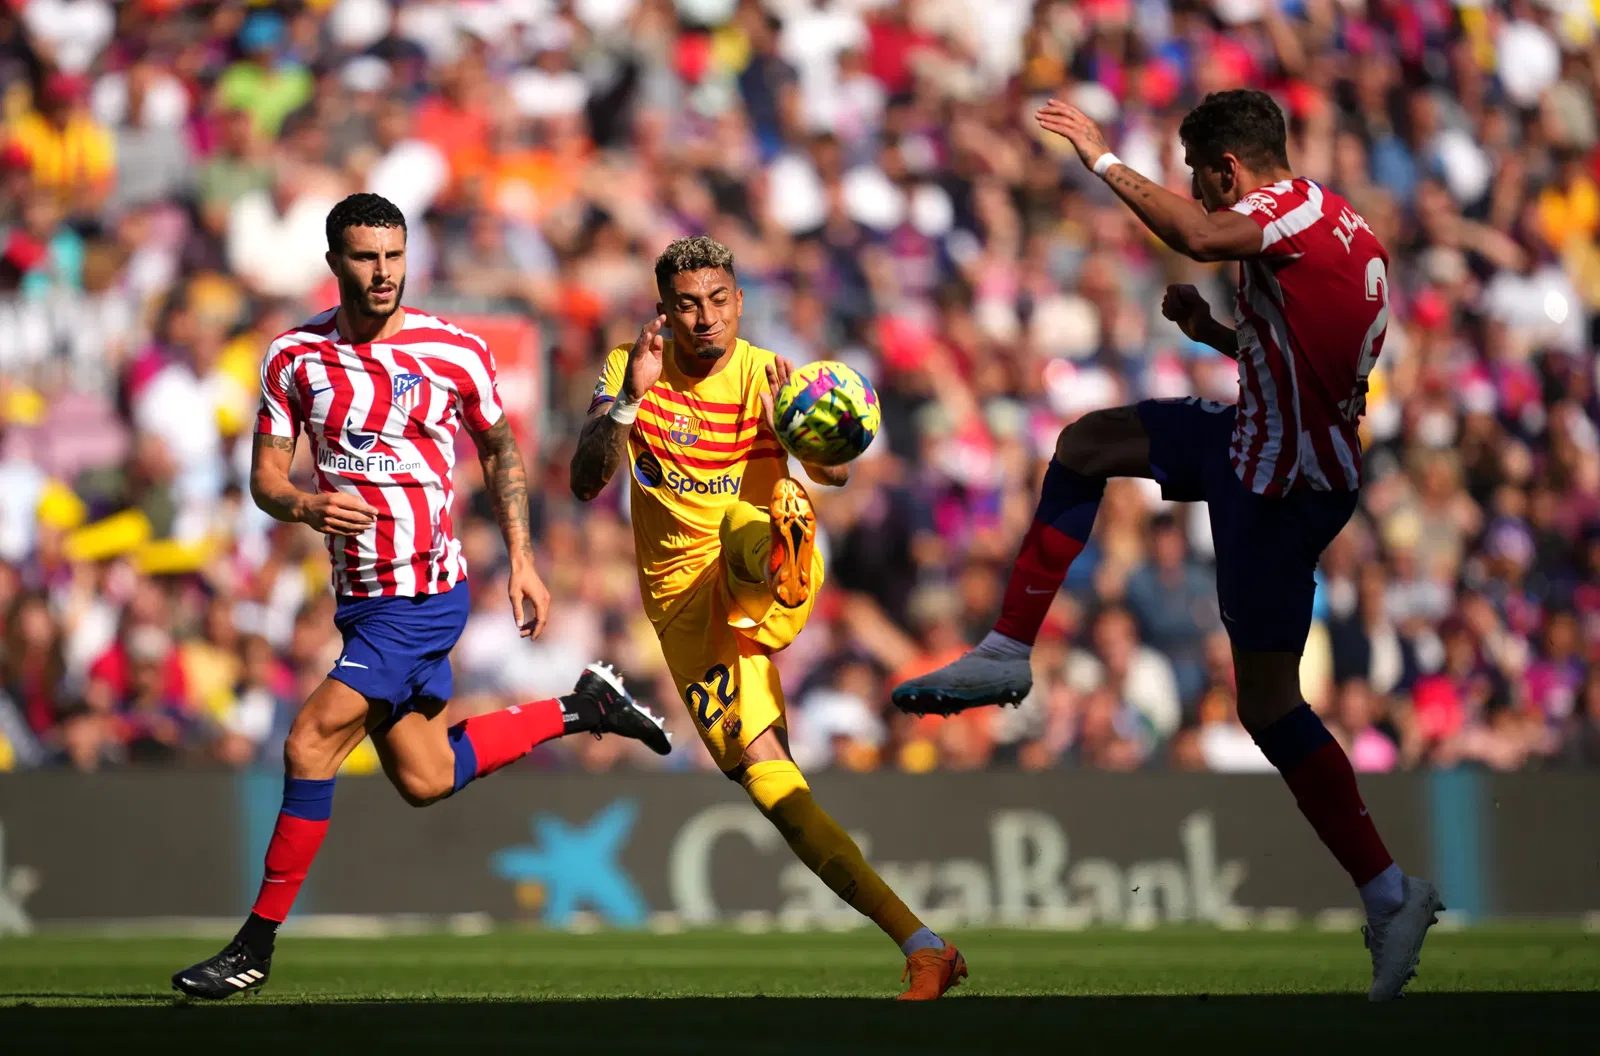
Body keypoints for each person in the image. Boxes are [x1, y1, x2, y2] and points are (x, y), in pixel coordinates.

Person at [892, 90, 1441, 1001]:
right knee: (1085, 445)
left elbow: (1194, 235)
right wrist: (1213, 335)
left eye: (1200, 174)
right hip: (1259, 446)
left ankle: (1390, 894)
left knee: (1268, 710)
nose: (1197, 189)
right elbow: (1303, 359)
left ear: (1228, 170)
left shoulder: (1276, 214)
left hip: (1277, 489)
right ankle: (1006, 651)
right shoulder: (1345, 227)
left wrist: (1104, 159)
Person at [172, 194, 670, 1000]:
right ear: (334, 262)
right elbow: (265, 478)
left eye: (394, 256)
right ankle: (583, 709)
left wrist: (522, 560)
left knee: (307, 745)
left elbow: (502, 449)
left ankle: (254, 946)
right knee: (427, 776)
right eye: (366, 257)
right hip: (361, 600)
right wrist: (303, 503)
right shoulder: (293, 358)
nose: (383, 273)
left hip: (421, 593)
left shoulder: (454, 351)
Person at [569, 236, 964, 1000]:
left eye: (718, 300)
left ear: (740, 302)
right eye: (687, 304)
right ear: (665, 311)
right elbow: (586, 482)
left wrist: (801, 433)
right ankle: (923, 945)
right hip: (686, 609)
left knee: (748, 526)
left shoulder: (766, 375)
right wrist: (630, 400)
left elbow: (838, 469)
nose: (705, 317)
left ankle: (779, 553)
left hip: (760, 565)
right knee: (773, 786)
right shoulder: (630, 368)